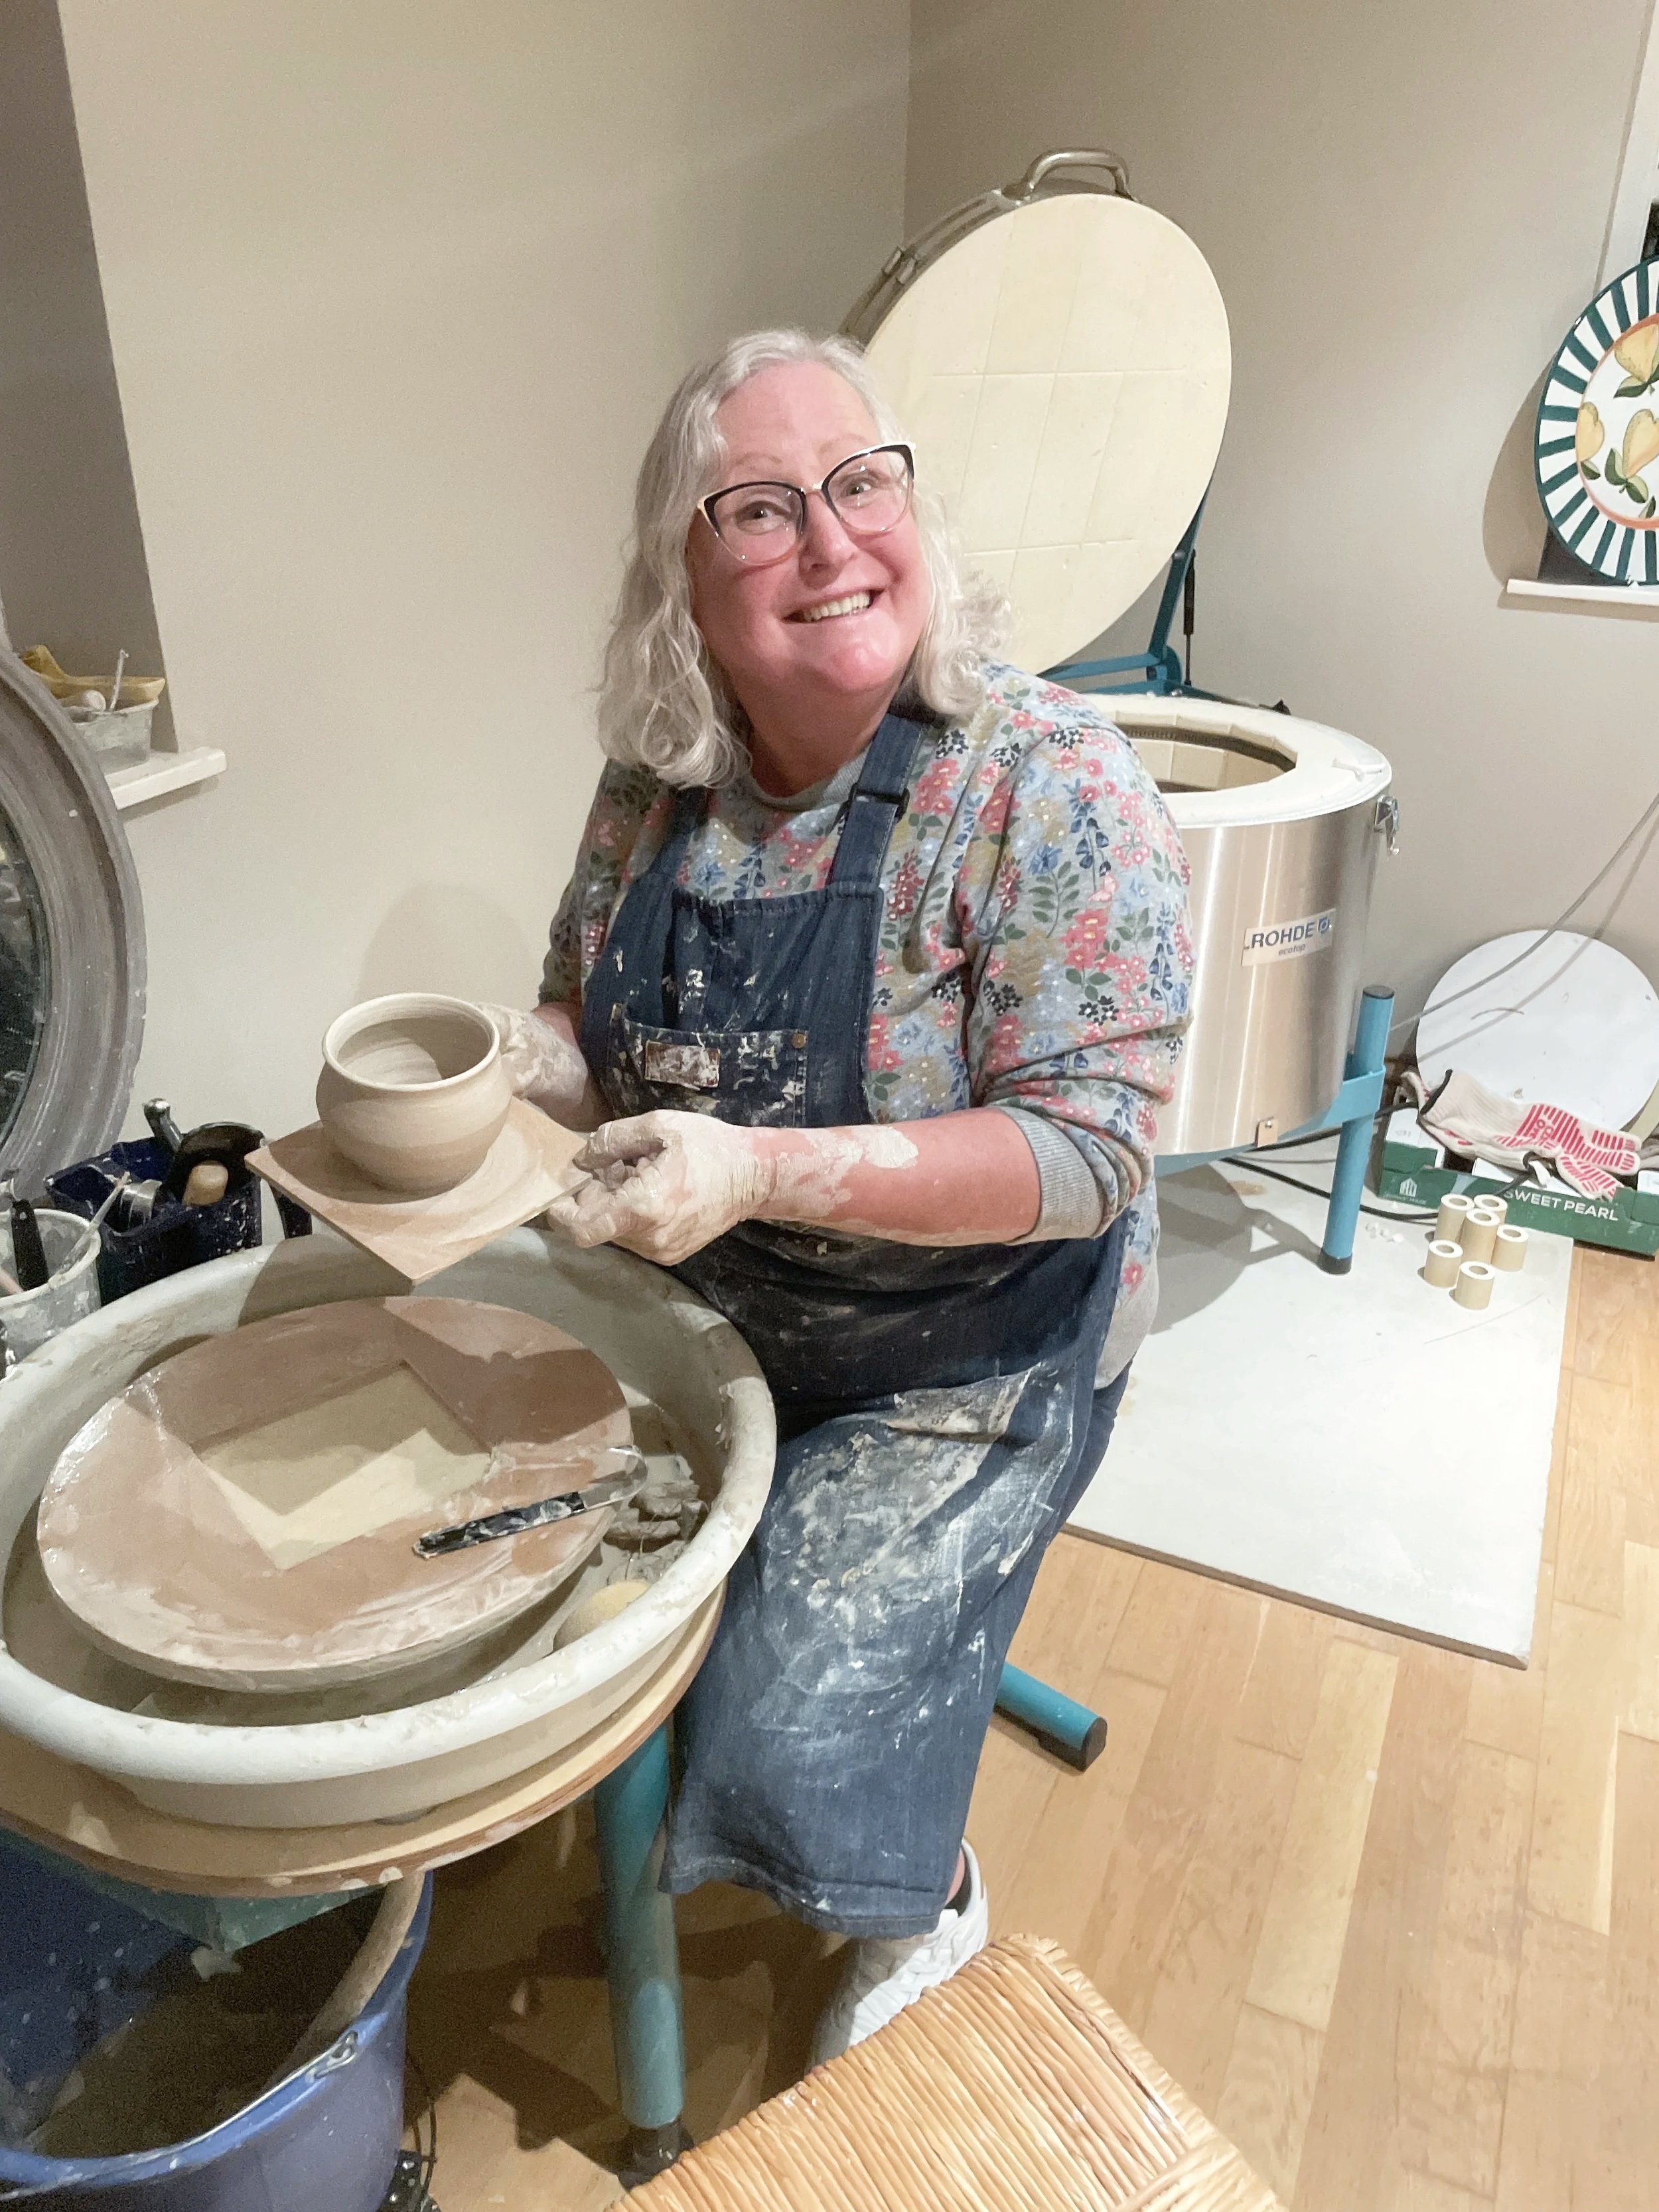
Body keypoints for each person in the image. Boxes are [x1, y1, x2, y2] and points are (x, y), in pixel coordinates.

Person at [485, 327, 1192, 2060]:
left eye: (861, 484)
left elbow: (1091, 1152)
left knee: (792, 1736)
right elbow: (595, 1028)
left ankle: (924, 1892)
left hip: (972, 1339)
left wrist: (767, 1169)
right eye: (758, 509)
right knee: (478, 1542)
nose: (828, 544)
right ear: (685, 578)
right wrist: (492, 1065)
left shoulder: (1041, 779)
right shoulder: (659, 782)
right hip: (708, 1302)